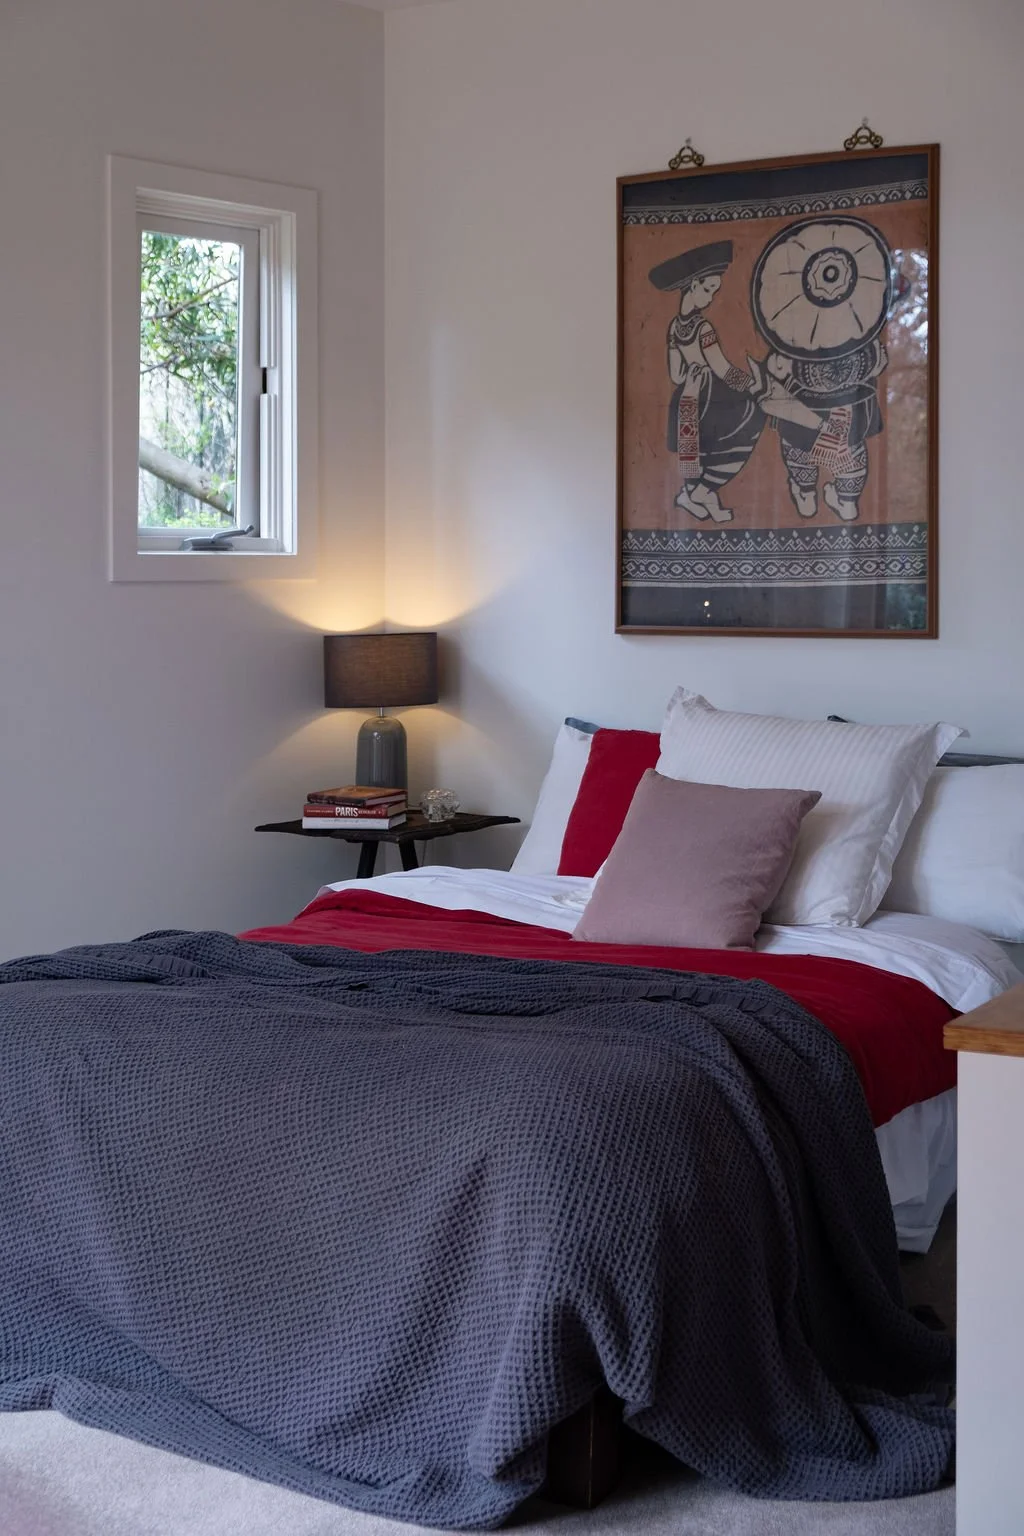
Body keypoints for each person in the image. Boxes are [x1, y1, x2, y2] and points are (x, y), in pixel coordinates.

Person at [649, 241, 764, 523]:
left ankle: (693, 493)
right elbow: (722, 369)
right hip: (710, 394)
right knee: (753, 417)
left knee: (698, 451)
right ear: (694, 284)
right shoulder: (703, 328)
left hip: (687, 396)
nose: (711, 297)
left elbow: (677, 375)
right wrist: (751, 385)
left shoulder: (674, 328)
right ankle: (702, 491)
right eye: (709, 288)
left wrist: (690, 378)